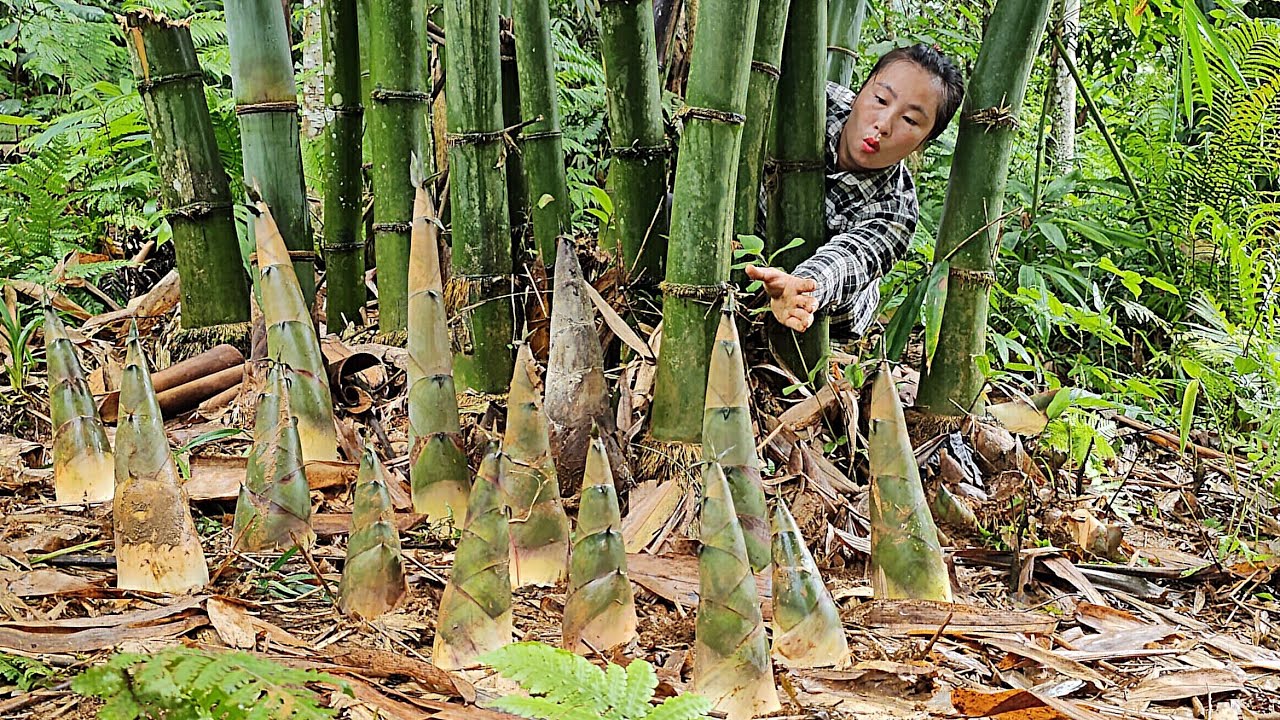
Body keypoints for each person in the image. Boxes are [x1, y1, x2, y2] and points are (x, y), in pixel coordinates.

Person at [745, 44, 965, 339]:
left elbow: (850, 258)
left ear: (923, 142)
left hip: (826, 318)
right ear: (860, 92)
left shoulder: (897, 208)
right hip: (745, 250)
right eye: (880, 99)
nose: (884, 124)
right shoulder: (806, 104)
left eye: (910, 120)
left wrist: (804, 286)